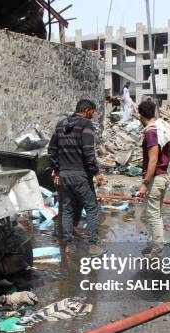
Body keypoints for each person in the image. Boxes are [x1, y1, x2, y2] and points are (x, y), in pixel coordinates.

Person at [48, 99, 103, 255]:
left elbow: (51, 150)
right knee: (92, 208)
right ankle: (93, 245)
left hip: (64, 175)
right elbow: (88, 151)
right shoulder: (86, 124)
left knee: (66, 209)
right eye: (92, 111)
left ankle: (67, 245)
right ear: (86, 110)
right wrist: (96, 172)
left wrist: (57, 170)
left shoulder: (60, 124)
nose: (93, 115)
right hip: (81, 175)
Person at [137, 99, 170, 256]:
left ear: (141, 115)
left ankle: (157, 249)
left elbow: (153, 160)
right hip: (162, 176)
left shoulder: (151, 132)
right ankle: (154, 244)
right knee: (155, 213)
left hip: (155, 178)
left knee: (153, 214)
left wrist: (145, 183)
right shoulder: (161, 128)